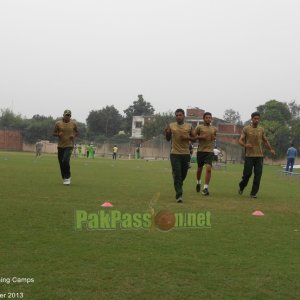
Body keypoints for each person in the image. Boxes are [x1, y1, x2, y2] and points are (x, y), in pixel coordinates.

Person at [238, 112, 275, 198]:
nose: (256, 120)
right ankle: (242, 186)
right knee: (247, 174)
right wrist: (245, 145)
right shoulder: (246, 129)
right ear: (252, 119)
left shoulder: (261, 129)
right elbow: (240, 140)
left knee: (258, 175)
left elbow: (265, 141)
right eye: (255, 119)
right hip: (249, 156)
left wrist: (271, 149)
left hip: (259, 156)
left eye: (258, 119)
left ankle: (253, 193)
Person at [165, 108, 195, 203]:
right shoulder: (171, 125)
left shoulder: (189, 126)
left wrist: (187, 137)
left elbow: (194, 139)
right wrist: (167, 133)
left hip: (185, 154)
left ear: (184, 116)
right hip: (174, 153)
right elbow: (168, 139)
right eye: (177, 115)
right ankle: (179, 195)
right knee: (177, 174)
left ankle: (178, 183)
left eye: (180, 115)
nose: (178, 117)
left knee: (183, 174)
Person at [194, 112, 217, 196]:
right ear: (203, 119)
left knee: (208, 169)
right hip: (200, 151)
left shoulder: (214, 128)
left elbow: (214, 137)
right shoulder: (199, 127)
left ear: (211, 119)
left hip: (209, 152)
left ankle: (205, 188)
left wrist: (214, 138)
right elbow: (193, 137)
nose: (208, 119)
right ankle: (198, 182)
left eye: (210, 118)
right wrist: (201, 137)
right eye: (206, 117)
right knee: (199, 169)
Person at [53, 109, 78, 185]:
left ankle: (67, 177)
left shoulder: (73, 124)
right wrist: (58, 134)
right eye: (66, 115)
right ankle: (64, 177)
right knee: (61, 162)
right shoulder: (58, 123)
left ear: (70, 116)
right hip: (60, 146)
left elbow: (77, 132)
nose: (67, 117)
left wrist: (73, 136)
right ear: (63, 115)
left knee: (65, 160)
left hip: (69, 145)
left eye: (69, 115)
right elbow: (54, 133)